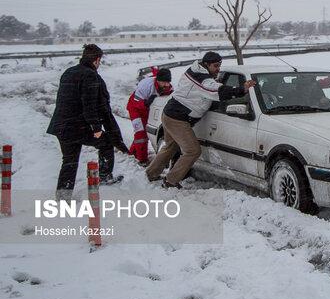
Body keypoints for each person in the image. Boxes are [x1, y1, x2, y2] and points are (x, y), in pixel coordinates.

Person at [145, 51, 256, 189]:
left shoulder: (196, 70)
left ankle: (151, 173)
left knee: (171, 146)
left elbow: (205, 95)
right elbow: (214, 90)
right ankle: (170, 181)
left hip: (170, 114)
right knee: (193, 151)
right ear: (206, 64)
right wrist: (241, 89)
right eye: (215, 66)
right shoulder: (202, 78)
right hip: (177, 119)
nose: (218, 69)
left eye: (219, 65)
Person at [46, 44, 128, 200]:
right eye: (100, 60)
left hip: (61, 125)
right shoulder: (90, 76)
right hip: (77, 125)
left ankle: (63, 196)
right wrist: (96, 128)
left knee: (69, 160)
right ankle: (104, 177)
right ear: (97, 60)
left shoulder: (68, 72)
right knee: (106, 143)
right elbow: (88, 104)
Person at [126, 67, 173, 165]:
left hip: (148, 111)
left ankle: (132, 152)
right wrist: (146, 103)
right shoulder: (146, 85)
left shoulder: (169, 88)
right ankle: (142, 159)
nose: (166, 85)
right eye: (163, 82)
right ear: (157, 80)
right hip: (135, 109)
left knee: (144, 133)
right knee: (140, 134)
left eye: (168, 82)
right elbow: (135, 101)